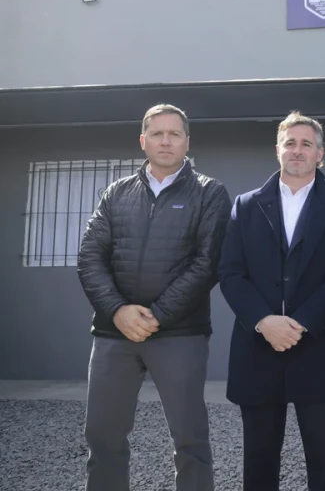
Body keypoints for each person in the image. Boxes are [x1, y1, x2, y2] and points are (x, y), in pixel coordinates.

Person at [77, 104, 232, 491]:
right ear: (143, 140)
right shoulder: (116, 193)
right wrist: (117, 311)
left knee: (190, 440)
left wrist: (157, 315)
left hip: (180, 333)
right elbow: (90, 256)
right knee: (103, 436)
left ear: (187, 141)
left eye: (174, 133)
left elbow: (207, 262)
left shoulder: (209, 192)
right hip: (114, 334)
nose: (166, 140)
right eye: (157, 133)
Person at [218, 111, 325, 491]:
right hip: (259, 348)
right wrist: (264, 321)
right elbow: (231, 272)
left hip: (321, 346)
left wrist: (299, 323)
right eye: (290, 143)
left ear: (320, 153)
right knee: (259, 461)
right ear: (277, 150)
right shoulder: (246, 205)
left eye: (306, 144)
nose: (297, 150)